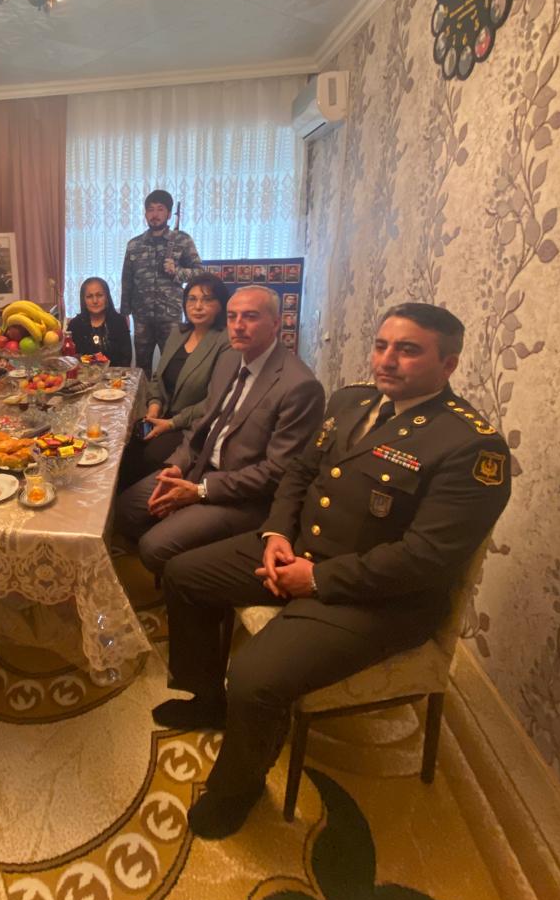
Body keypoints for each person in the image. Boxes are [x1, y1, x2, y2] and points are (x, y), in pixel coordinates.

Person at [153, 302, 512, 839]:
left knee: (253, 676)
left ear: (449, 364)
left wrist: (316, 580)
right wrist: (276, 536)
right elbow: (299, 474)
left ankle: (237, 789)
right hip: (296, 549)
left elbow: (426, 557)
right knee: (183, 574)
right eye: (382, 345)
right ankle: (206, 700)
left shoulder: (470, 446)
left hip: (377, 597)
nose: (386, 359)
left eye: (408, 350)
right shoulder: (351, 401)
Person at [115, 286, 325, 577]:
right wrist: (177, 466)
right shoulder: (229, 359)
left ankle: (187, 570)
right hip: (198, 467)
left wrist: (200, 492)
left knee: (153, 546)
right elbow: (203, 426)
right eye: (232, 316)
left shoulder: (300, 386)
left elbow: (277, 472)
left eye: (250, 316)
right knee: (125, 510)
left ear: (276, 323)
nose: (238, 325)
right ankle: (182, 555)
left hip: (243, 496)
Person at [118, 272, 231, 489]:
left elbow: (216, 400)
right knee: (124, 446)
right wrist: (153, 407)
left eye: (207, 300)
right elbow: (158, 378)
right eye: (192, 299)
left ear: (221, 305)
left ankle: (131, 505)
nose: (198, 306)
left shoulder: (226, 342)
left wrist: (171, 423)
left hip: (192, 425)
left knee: (147, 457)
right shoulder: (178, 333)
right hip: (163, 415)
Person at [120, 190, 202, 375]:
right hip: (141, 318)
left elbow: (199, 273)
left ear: (169, 214)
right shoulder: (134, 245)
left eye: (160, 209)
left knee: (172, 367)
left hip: (170, 317)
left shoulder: (182, 241)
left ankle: (166, 396)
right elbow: (127, 280)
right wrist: (124, 313)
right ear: (145, 214)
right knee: (141, 370)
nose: (155, 214)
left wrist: (177, 272)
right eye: (150, 210)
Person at [67, 277, 133, 365]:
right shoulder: (74, 325)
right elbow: (70, 360)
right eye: (89, 296)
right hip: (84, 373)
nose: (95, 301)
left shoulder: (119, 322)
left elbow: (126, 358)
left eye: (99, 295)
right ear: (83, 300)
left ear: (107, 297)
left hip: (114, 373)